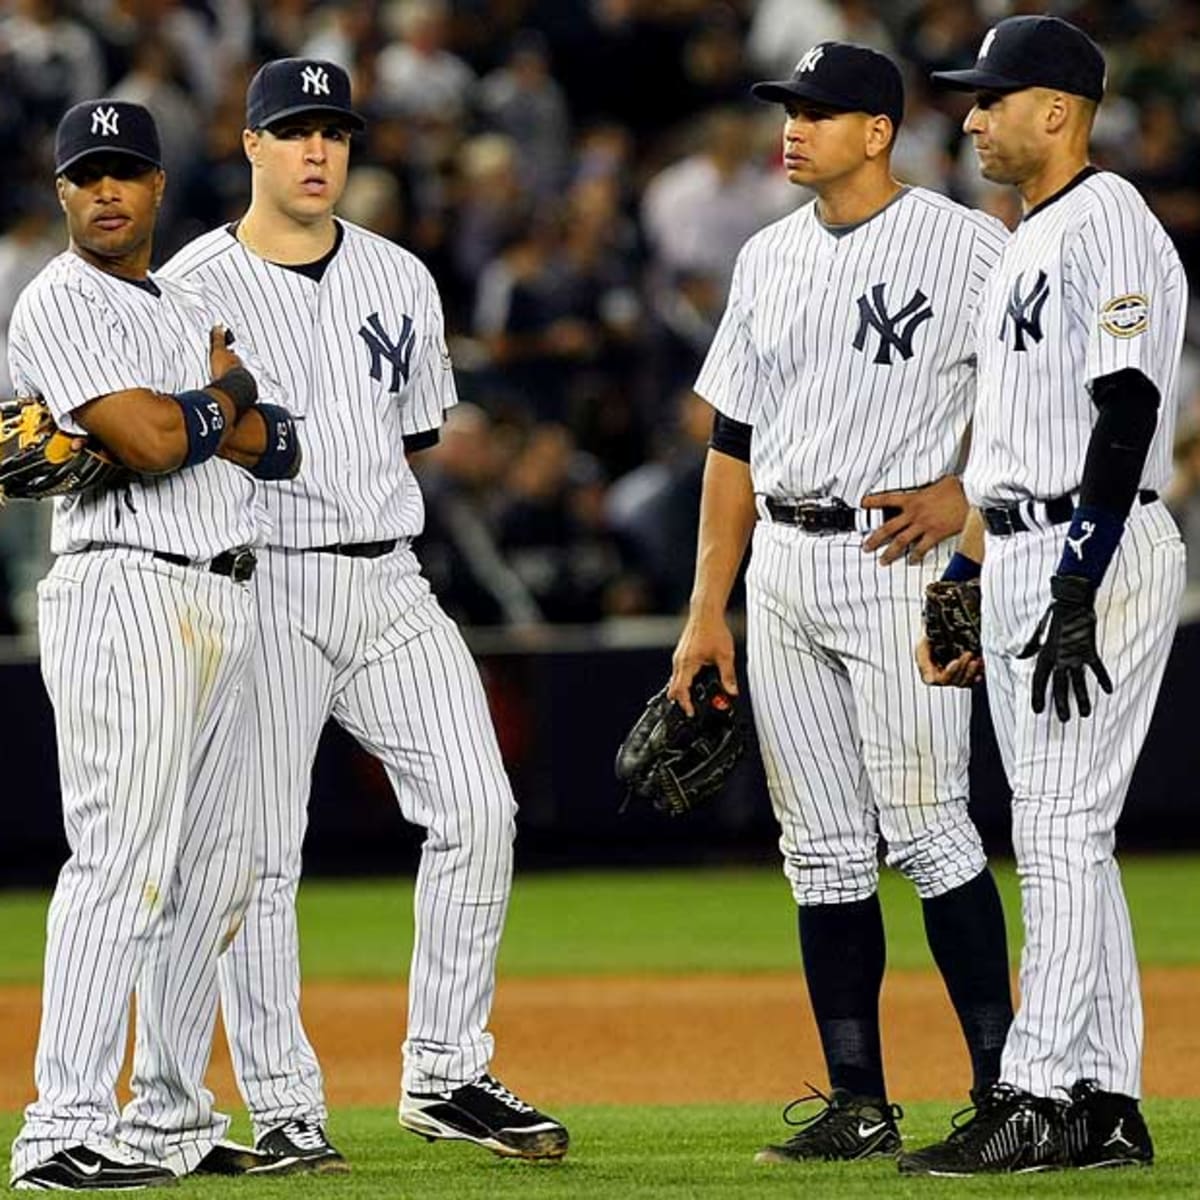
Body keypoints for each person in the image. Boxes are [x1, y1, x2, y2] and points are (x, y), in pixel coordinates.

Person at [160, 58, 569, 1170]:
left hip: (389, 578)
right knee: (260, 855)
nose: (316, 149)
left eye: (333, 132)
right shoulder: (188, 285)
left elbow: (418, 436)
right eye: (293, 131)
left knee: (481, 809)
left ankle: (446, 1072)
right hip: (265, 581)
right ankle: (287, 1106)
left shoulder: (401, 275)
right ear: (249, 145)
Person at [667, 43, 1015, 1163]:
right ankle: (858, 1102)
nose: (794, 126)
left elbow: (1033, 395)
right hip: (781, 562)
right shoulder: (765, 257)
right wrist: (703, 611)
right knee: (818, 851)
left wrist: (965, 494)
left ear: (879, 132)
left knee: (927, 828)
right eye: (789, 108)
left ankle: (1008, 1095)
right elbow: (731, 444)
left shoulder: (968, 245)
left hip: (894, 560)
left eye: (821, 110)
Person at [905, 16, 1187, 1175]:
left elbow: (1126, 408)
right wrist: (971, 568)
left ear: (1058, 111)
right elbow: (1018, 433)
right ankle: (1104, 1101)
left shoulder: (1109, 220)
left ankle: (1032, 1093)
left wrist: (1078, 569)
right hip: (1027, 540)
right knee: (1070, 837)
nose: (971, 116)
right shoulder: (1032, 233)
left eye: (992, 97)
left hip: (1090, 541)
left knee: (1062, 827)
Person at [7, 99, 301, 1189]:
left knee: (213, 877)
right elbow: (141, 439)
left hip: (228, 592)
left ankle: (165, 1121)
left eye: (125, 171)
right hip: (123, 590)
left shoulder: (188, 299)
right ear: (62, 192)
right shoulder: (57, 299)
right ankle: (60, 1131)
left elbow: (276, 444)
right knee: (121, 862)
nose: (107, 190)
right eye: (87, 174)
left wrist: (203, 413)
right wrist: (217, 403)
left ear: (160, 187)